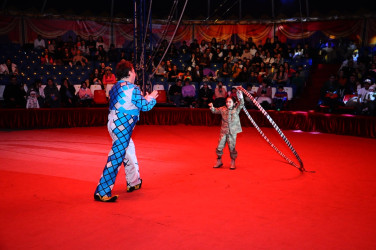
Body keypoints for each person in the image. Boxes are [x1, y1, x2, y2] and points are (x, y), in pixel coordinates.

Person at [94, 59, 158, 202]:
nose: (135, 73)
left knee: (128, 151)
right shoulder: (132, 88)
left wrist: (144, 99)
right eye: (134, 71)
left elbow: (129, 103)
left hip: (114, 124)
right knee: (116, 157)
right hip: (122, 125)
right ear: (130, 72)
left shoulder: (115, 87)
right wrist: (152, 98)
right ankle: (102, 192)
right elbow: (145, 107)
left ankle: (134, 182)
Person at [209, 88, 244, 170]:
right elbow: (215, 111)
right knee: (219, 146)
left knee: (232, 147)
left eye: (230, 102)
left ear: (234, 103)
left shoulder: (236, 109)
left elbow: (241, 103)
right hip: (223, 131)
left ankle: (232, 161)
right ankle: (219, 161)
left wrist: (240, 95)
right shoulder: (223, 109)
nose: (228, 103)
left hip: (232, 132)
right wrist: (212, 107)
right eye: (227, 102)